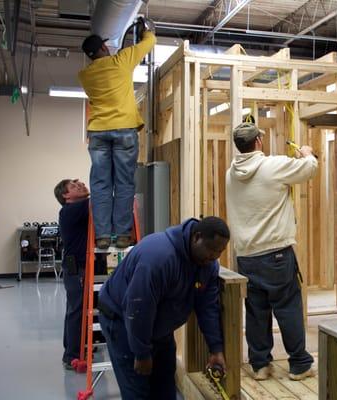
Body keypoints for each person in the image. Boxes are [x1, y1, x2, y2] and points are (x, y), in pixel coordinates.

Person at [97, 217, 229, 399]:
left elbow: (207, 307)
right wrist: (142, 353)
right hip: (123, 322)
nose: (215, 256)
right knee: (138, 392)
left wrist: (216, 349)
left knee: (165, 388)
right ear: (197, 237)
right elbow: (138, 308)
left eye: (220, 251)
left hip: (159, 326)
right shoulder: (159, 257)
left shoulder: (208, 265)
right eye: (212, 249)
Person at [225, 122, 317, 381]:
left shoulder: (230, 174)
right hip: (276, 254)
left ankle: (260, 365)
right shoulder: (273, 166)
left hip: (246, 256)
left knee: (256, 311)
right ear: (258, 143)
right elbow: (310, 169)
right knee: (288, 308)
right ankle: (299, 364)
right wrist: (307, 152)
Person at [78, 19, 156, 250]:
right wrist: (146, 29)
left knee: (101, 184)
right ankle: (122, 235)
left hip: (99, 133)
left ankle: (102, 236)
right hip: (124, 130)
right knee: (123, 183)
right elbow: (150, 41)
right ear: (103, 48)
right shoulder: (122, 60)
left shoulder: (84, 76)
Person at [53, 179, 90, 370]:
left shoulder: (76, 210)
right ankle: (72, 355)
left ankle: (75, 349)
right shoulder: (73, 210)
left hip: (74, 268)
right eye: (75, 186)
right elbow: (99, 197)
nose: (81, 185)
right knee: (77, 310)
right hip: (77, 269)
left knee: (74, 309)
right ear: (66, 196)